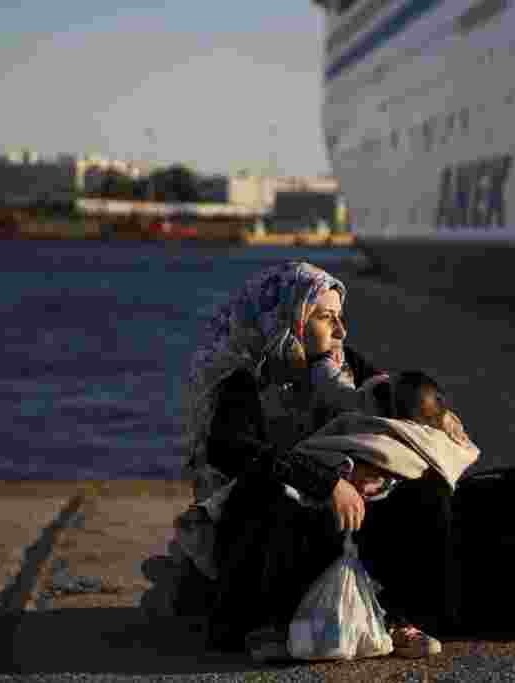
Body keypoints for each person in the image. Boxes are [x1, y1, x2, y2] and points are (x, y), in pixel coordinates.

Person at [178, 260, 462, 661]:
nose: (340, 331)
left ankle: (396, 614)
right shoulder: (241, 379)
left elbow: (393, 400)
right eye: (327, 318)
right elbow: (236, 452)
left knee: (423, 485)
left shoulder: (341, 363)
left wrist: (437, 417)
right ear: (289, 318)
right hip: (260, 526)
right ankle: (269, 622)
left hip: (331, 514)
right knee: (274, 492)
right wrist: (328, 483)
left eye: (340, 318)